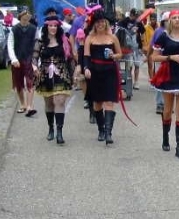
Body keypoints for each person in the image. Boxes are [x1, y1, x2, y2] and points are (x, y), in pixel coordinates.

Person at [150, 9, 179, 159]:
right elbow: (154, 57)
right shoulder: (164, 37)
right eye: (174, 18)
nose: (177, 20)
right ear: (170, 21)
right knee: (167, 109)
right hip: (169, 75)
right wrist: (172, 57)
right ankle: (165, 137)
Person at [31, 16, 74, 144]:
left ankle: (60, 133)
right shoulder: (40, 42)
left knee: (59, 101)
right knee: (49, 103)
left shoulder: (64, 41)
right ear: (46, 27)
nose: (53, 28)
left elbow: (71, 58)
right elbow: (34, 57)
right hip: (45, 75)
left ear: (58, 27)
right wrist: (34, 68)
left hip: (61, 73)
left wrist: (74, 74)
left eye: (55, 26)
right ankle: (51, 128)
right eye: (50, 26)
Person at [83, 10, 123, 145]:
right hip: (95, 72)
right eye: (98, 22)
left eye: (102, 22)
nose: (100, 24)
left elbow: (120, 54)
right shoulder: (90, 38)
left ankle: (108, 133)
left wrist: (114, 56)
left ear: (106, 23)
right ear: (94, 24)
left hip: (110, 71)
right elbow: (86, 57)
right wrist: (86, 68)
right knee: (97, 103)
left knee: (109, 102)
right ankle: (101, 129)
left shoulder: (113, 38)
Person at [7, 7, 38, 117]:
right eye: (24, 16)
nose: (26, 18)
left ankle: (29, 106)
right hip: (18, 58)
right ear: (20, 17)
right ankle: (22, 104)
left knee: (30, 82)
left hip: (29, 58)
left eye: (28, 16)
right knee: (18, 83)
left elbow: (37, 45)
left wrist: (35, 62)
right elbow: (10, 45)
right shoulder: (14, 29)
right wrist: (14, 59)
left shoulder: (34, 29)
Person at [148, 11, 170, 114]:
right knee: (160, 81)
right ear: (163, 21)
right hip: (160, 59)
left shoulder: (176, 32)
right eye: (167, 20)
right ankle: (160, 104)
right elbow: (152, 45)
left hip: (171, 61)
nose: (169, 22)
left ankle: (168, 104)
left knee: (170, 82)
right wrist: (148, 56)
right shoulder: (158, 31)